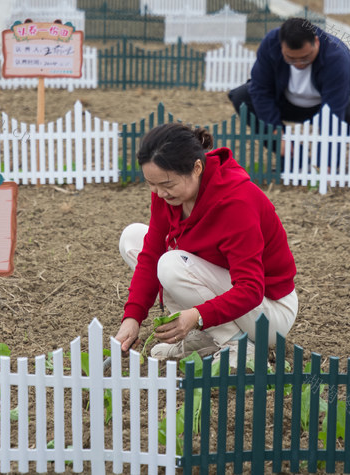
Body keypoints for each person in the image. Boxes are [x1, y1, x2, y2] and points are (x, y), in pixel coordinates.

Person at [115, 123, 299, 363]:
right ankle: (205, 339)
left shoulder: (236, 202)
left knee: (170, 264)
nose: (159, 193)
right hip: (229, 291)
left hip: (268, 312)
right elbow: (150, 255)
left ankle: (238, 346)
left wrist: (197, 315)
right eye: (152, 184)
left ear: (197, 168)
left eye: (167, 185)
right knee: (132, 238)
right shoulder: (167, 196)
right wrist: (132, 318)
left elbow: (251, 289)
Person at [228, 18, 350, 136]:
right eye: (291, 59)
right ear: (281, 46)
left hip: (336, 102)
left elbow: (334, 113)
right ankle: (291, 159)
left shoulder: (335, 56)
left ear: (316, 42)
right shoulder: (270, 44)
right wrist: (276, 134)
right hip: (290, 102)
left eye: (305, 58)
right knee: (242, 96)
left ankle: (323, 162)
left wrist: (325, 160)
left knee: (349, 111)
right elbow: (261, 90)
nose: (299, 63)